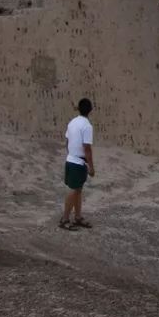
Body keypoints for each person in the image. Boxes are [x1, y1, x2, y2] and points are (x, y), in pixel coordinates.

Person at [59, 97, 95, 231]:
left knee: (78, 189)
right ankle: (65, 219)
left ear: (79, 109)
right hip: (78, 162)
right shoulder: (87, 126)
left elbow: (67, 142)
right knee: (74, 190)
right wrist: (91, 166)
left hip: (71, 159)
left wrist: (72, 154)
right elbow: (87, 148)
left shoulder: (72, 122)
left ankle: (78, 217)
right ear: (90, 110)